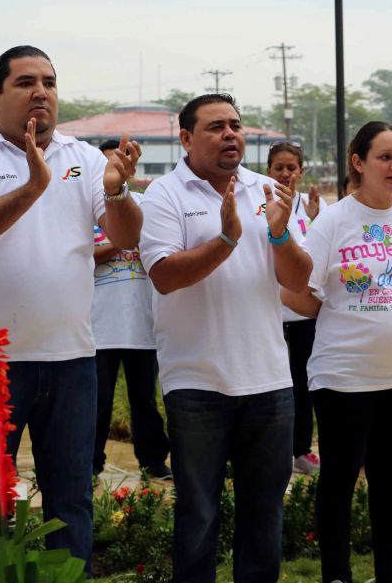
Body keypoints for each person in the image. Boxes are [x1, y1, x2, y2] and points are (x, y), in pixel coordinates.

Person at [0, 45, 142, 565]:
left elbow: (125, 235)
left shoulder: (85, 157)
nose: (41, 92)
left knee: (70, 499)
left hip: (71, 359)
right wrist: (32, 187)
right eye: (26, 82)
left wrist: (118, 195)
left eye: (49, 81)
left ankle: (67, 577)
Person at [140, 94, 312, 583]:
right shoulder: (164, 195)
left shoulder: (270, 191)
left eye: (235, 124)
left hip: (268, 382)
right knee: (198, 516)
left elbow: (298, 281)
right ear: (187, 139)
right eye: (215, 127)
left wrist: (280, 236)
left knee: (264, 515)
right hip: (197, 383)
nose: (230, 134)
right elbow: (165, 276)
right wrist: (227, 240)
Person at [282, 122, 392, 583]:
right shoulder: (333, 220)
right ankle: (337, 574)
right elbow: (304, 293)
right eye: (384, 157)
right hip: (344, 379)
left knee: (389, 480)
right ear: (358, 162)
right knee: (339, 480)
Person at [91, 139, 171, 481]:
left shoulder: (145, 206)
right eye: (110, 162)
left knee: (145, 401)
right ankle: (90, 463)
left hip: (142, 323)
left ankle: (153, 461)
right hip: (98, 326)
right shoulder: (90, 208)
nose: (117, 168)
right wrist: (121, 242)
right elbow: (81, 256)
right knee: (98, 401)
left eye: (123, 162)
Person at [267, 140, 327, 475]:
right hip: (272, 312)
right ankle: (272, 449)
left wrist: (316, 220)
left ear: (301, 172)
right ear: (268, 171)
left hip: (304, 313)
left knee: (304, 383)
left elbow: (321, 254)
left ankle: (302, 450)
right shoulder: (260, 204)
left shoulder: (314, 206)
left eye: (292, 168)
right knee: (275, 383)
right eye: (279, 168)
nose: (286, 173)